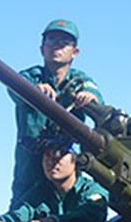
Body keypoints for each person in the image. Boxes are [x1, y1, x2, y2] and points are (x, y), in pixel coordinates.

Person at [10, 19, 104, 209]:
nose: (56, 46)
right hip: (30, 167)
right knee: (22, 217)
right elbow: (14, 89)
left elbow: (98, 100)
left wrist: (89, 97)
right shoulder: (28, 77)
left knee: (69, 217)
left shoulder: (81, 81)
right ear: (42, 49)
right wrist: (34, 91)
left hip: (64, 166)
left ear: (74, 52)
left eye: (64, 43)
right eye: (51, 41)